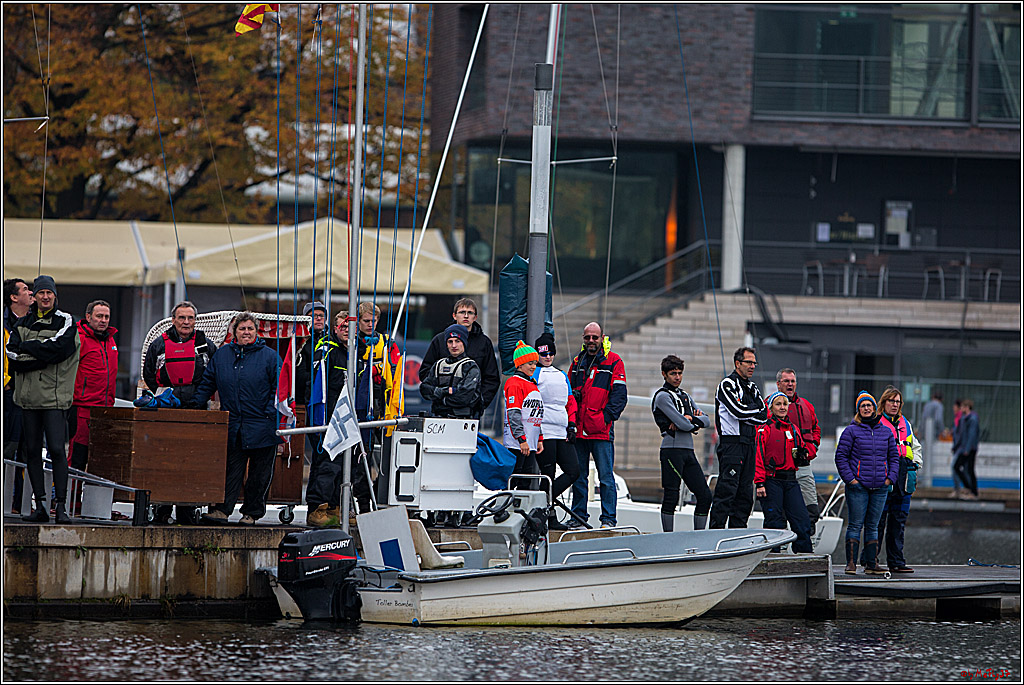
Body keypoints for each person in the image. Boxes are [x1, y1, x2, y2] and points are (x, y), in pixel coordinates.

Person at [193, 312, 282, 525]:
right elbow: (207, 383)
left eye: (250, 329)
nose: (246, 333)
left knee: (259, 476)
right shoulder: (222, 355)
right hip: (234, 426)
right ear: (235, 332)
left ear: (256, 331)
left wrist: (270, 413)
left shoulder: (270, 357)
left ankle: (252, 513)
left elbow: (279, 389)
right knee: (230, 471)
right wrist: (194, 404)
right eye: (242, 329)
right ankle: (221, 510)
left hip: (263, 425)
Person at [6, 275, 80, 524]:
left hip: (55, 399)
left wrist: (30, 350)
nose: (45, 297)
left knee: (58, 450)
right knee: (31, 452)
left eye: (49, 293)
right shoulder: (21, 324)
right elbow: (12, 355)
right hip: (28, 399)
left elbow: (61, 348)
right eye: (40, 293)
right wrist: (43, 358)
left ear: (55, 295)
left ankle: (61, 507)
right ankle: (40, 505)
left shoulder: (66, 320)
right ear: (35, 297)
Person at [142, 301, 217, 524]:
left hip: (196, 410)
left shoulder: (205, 345)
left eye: (190, 318)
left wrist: (200, 398)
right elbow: (148, 374)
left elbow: (214, 373)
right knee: (164, 459)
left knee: (193, 461)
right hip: (167, 411)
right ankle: (162, 508)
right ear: (173, 320)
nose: (186, 322)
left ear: (195, 320)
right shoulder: (158, 345)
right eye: (182, 318)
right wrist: (164, 398)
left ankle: (188, 508)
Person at [834, 391, 899, 575]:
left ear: (874, 407)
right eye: (863, 406)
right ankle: (851, 564)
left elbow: (894, 458)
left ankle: (871, 564)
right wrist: (851, 479)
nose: (866, 408)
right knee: (855, 524)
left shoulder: (886, 432)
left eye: (869, 405)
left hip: (880, 487)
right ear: (858, 410)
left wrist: (889, 478)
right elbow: (841, 457)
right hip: (858, 487)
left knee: (873, 526)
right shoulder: (851, 431)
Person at [652, 355, 712, 532]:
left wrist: (690, 418)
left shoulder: (684, 395)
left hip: (688, 451)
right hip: (672, 450)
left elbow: (706, 420)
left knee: (704, 495)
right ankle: (668, 537)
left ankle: (698, 536)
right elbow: (684, 424)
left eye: (679, 373)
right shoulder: (663, 397)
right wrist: (688, 422)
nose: (677, 377)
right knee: (672, 495)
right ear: (664, 374)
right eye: (673, 374)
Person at [709, 347, 767, 529]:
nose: (752, 366)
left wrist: (749, 411)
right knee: (727, 491)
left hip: (750, 444)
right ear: (737, 363)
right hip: (732, 445)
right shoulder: (727, 384)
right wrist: (753, 411)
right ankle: (715, 533)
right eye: (749, 362)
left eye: (754, 363)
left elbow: (764, 414)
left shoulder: (752, 387)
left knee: (744, 494)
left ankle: (737, 534)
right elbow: (737, 411)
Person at [354, 301, 404, 514]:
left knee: (386, 457)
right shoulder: (353, 342)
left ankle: (381, 496)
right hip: (360, 405)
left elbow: (395, 372)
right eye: (366, 321)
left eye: (373, 320)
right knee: (359, 456)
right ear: (358, 321)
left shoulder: (387, 342)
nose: (370, 324)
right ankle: (361, 502)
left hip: (382, 406)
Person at [419, 297, 500, 418]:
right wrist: (442, 394)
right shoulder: (440, 340)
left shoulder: (484, 342)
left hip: (470, 412)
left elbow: (491, 378)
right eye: (462, 312)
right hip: (441, 411)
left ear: (475, 317)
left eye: (470, 313)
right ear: (454, 315)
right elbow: (425, 373)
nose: (466, 316)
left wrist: (479, 402)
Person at [305, 311, 350, 528]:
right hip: (327, 415)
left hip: (347, 417)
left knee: (343, 466)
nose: (347, 330)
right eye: (343, 326)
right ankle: (316, 508)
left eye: (350, 326)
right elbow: (317, 386)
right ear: (335, 328)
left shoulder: (354, 352)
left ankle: (334, 507)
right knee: (327, 464)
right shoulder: (327, 350)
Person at [754, 392, 814, 553]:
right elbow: (758, 456)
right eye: (778, 404)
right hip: (772, 480)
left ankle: (805, 555)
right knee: (774, 521)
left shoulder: (793, 429)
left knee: (801, 519)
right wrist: (759, 482)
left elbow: (801, 449)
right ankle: (772, 556)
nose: (782, 407)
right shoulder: (764, 428)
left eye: (785, 404)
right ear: (771, 407)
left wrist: (804, 454)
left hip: (791, 480)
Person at [532, 332, 580, 530]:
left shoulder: (561, 375)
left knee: (573, 471)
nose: (548, 357)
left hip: (561, 430)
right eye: (544, 354)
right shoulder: (534, 373)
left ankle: (543, 505)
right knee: (548, 473)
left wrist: (572, 425)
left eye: (550, 353)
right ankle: (548, 515)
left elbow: (570, 402)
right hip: (544, 431)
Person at [874, 386, 922, 573]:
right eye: (891, 401)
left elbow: (915, 447)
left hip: (904, 478)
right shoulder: (876, 422)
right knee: (878, 521)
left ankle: (896, 561)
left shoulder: (905, 423)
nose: (895, 405)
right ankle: (871, 560)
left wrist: (915, 464)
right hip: (884, 478)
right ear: (884, 403)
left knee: (898, 521)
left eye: (897, 402)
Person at [69, 300, 118, 471]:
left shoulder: (110, 340)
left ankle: (92, 497)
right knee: (77, 457)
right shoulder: (78, 339)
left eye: (106, 317)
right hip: (83, 408)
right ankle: (70, 497)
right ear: (88, 317)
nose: (103, 320)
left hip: (105, 409)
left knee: (99, 460)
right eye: (99, 316)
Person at [775, 368, 822, 526]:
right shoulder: (769, 405)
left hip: (803, 465)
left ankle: (809, 546)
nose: (790, 384)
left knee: (811, 511)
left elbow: (816, 429)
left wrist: (812, 447)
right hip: (779, 470)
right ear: (778, 384)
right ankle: (780, 548)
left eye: (792, 381)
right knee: (779, 514)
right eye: (786, 381)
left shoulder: (807, 406)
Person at [3, 278, 33, 506]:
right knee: (8, 448)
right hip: (9, 396)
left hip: (33, 396)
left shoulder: (36, 322)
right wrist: (8, 383)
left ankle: (20, 502)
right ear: (13, 297)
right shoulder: (4, 325)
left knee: (29, 450)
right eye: (25, 289)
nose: (31, 293)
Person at [503, 341, 544, 490]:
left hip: (530, 443)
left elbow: (536, 415)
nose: (533, 366)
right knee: (513, 479)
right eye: (529, 363)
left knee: (525, 482)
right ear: (519, 364)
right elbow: (513, 414)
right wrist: (522, 440)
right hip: (518, 444)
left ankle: (521, 510)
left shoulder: (532, 384)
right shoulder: (514, 383)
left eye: (534, 363)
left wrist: (539, 438)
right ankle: (505, 509)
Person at [419, 324, 481, 419]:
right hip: (438, 417)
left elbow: (464, 397)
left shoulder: (470, 366)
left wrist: (439, 398)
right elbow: (424, 389)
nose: (454, 345)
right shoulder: (438, 365)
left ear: (464, 343)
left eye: (457, 341)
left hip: (462, 418)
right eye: (450, 342)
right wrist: (447, 391)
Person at [294, 300, 328, 409]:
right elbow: (300, 376)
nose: (318, 318)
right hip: (304, 400)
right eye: (313, 316)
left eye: (321, 316)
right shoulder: (300, 343)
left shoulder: (331, 342)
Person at [952, 399, 980, 500]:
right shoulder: (966, 419)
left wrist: (967, 449)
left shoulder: (972, 419)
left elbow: (971, 435)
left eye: (963, 407)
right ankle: (971, 489)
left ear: (967, 407)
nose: (961, 409)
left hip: (969, 448)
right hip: (966, 447)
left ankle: (972, 490)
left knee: (964, 468)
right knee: (967, 469)